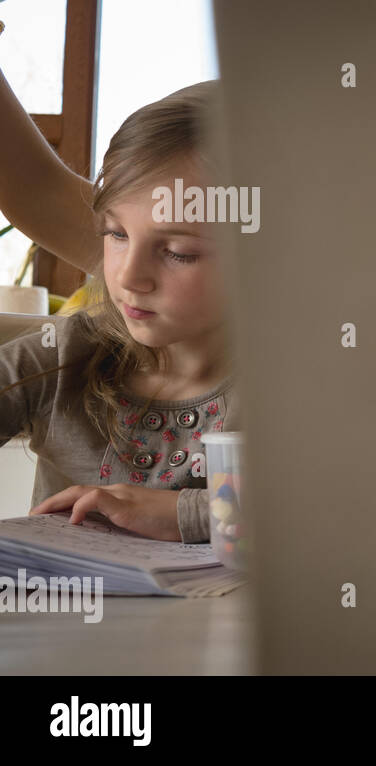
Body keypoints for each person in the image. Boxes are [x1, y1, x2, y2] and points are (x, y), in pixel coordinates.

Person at [0, 61, 235, 543]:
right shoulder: (64, 352)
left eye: (178, 252)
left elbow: (350, 510)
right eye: (116, 233)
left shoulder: (303, 388)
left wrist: (188, 512)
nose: (128, 277)